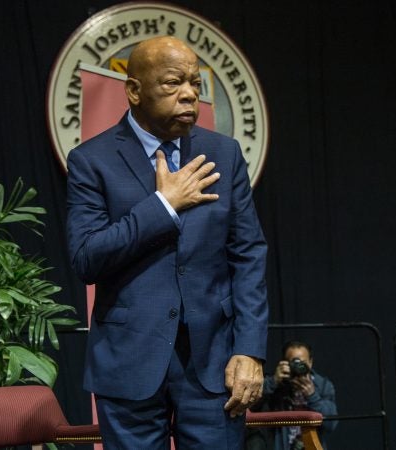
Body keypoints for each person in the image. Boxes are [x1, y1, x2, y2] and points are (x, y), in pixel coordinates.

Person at [66, 35, 269, 449]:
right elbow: (87, 257)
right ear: (135, 90)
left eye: (196, 83)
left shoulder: (224, 155)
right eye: (174, 83)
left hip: (214, 365)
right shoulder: (92, 161)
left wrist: (249, 349)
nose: (189, 95)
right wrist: (163, 205)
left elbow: (248, 255)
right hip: (129, 362)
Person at [245, 341, 338, 450]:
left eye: (302, 362)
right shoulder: (276, 384)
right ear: (284, 363)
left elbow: (331, 425)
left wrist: (313, 396)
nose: (298, 367)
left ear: (311, 362)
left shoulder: (323, 385)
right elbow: (251, 408)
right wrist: (273, 382)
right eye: (294, 362)